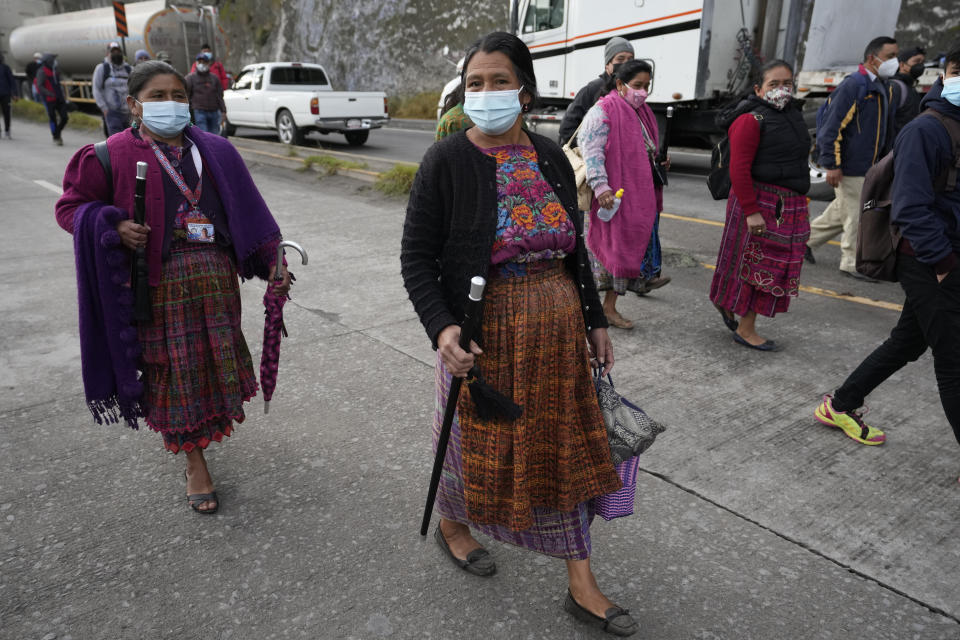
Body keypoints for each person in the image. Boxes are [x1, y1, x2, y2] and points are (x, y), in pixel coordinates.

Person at [401, 31, 638, 637]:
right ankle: (456, 524)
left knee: (564, 454)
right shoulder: (447, 161)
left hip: (557, 340)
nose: (486, 93)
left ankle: (580, 584)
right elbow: (416, 259)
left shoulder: (550, 157)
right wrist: (443, 328)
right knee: (472, 446)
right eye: (474, 83)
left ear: (525, 91)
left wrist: (592, 321)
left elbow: (575, 253)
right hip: (484, 339)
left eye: (499, 81)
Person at [54, 61, 291, 514]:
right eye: (158, 96)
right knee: (174, 373)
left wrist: (273, 260)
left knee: (208, 370)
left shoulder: (217, 151)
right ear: (134, 105)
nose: (171, 104)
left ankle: (201, 436)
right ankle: (195, 462)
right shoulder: (108, 155)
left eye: (179, 96)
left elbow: (251, 216)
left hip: (217, 285)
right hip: (159, 289)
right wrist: (113, 224)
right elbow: (71, 209)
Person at [815, 51, 960, 457]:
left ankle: (840, 404)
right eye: (957, 72)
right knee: (953, 360)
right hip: (931, 258)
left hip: (947, 256)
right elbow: (910, 207)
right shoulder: (925, 130)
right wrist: (944, 264)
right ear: (944, 75)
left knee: (908, 341)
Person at [709, 61, 812, 351]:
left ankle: (726, 302)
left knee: (765, 266)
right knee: (759, 267)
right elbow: (738, 170)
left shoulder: (793, 115)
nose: (782, 90)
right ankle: (746, 328)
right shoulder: (750, 120)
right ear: (758, 89)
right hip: (759, 203)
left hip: (786, 205)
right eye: (774, 84)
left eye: (788, 84)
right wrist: (752, 211)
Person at [578, 59, 669, 330]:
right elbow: (592, 152)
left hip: (634, 198)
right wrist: (601, 187)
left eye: (647, 86)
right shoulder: (602, 111)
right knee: (604, 258)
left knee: (625, 252)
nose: (642, 91)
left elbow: (648, 149)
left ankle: (608, 308)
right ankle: (597, 312)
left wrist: (659, 161)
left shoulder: (642, 113)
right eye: (637, 85)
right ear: (619, 84)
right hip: (609, 199)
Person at [806, 36, 898, 281]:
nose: (894, 62)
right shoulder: (854, 85)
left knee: (842, 211)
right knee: (858, 216)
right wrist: (832, 165)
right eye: (890, 56)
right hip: (850, 166)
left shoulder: (881, 85)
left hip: (868, 165)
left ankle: (803, 242)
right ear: (872, 58)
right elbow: (831, 128)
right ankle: (851, 263)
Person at [558, 37, 635, 145]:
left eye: (630, 60)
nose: (626, 64)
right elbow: (567, 128)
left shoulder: (630, 92)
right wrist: (593, 151)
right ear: (607, 64)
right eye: (620, 59)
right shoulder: (593, 89)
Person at [92, 42, 132, 136]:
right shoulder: (102, 68)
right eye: (113, 52)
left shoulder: (129, 69)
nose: (116, 54)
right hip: (112, 113)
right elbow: (96, 89)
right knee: (118, 142)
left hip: (129, 114)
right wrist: (104, 109)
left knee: (131, 141)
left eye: (118, 51)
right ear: (107, 54)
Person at [185, 53, 226, 134]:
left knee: (215, 136)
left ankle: (214, 147)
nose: (202, 64)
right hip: (199, 111)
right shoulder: (190, 78)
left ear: (208, 63)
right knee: (204, 135)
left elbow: (219, 96)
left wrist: (223, 111)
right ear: (196, 63)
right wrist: (186, 112)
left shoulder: (214, 78)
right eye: (199, 62)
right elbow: (186, 96)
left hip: (214, 111)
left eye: (204, 62)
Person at [34, 54, 68, 146]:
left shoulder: (56, 70)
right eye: (53, 60)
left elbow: (60, 83)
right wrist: (49, 93)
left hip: (60, 98)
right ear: (48, 61)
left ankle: (57, 132)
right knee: (53, 118)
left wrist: (64, 94)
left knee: (65, 118)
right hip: (49, 100)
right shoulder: (42, 72)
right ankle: (56, 136)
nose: (54, 61)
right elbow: (39, 86)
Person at [890, 46, 925, 134]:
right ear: (902, 65)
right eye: (916, 61)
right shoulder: (895, 87)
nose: (920, 65)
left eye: (922, 62)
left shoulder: (910, 86)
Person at [0, 53, 17, 139]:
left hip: (5, 94)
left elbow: (12, 81)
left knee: (6, 113)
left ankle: (7, 130)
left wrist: (14, 93)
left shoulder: (5, 68)